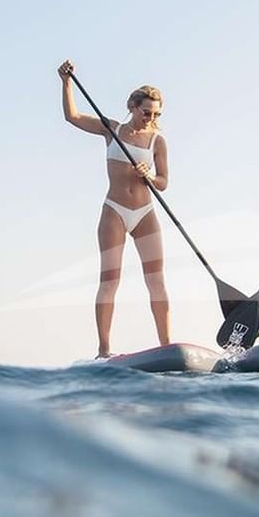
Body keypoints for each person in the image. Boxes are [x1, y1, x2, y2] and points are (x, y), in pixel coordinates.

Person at [59, 61, 170, 358]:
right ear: (132, 107)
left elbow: (163, 183)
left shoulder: (158, 140)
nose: (150, 118)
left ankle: (167, 347)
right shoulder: (112, 129)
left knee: (156, 281)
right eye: (146, 112)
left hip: (145, 213)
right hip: (115, 211)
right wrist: (66, 82)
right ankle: (104, 350)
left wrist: (150, 176)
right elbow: (72, 116)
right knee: (110, 280)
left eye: (156, 114)